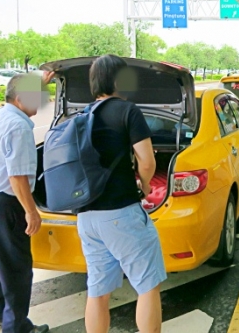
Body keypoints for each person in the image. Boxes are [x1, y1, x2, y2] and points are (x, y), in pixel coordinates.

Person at [77, 55, 166, 333]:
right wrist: (146, 184)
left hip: (86, 218)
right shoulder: (127, 111)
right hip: (121, 214)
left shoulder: (81, 115)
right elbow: (147, 161)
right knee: (148, 285)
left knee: (98, 291)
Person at [0, 72, 53, 333]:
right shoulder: (19, 127)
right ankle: (17, 328)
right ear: (20, 99)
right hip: (6, 204)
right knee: (18, 271)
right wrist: (32, 211)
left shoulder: (1, 114)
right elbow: (17, 176)